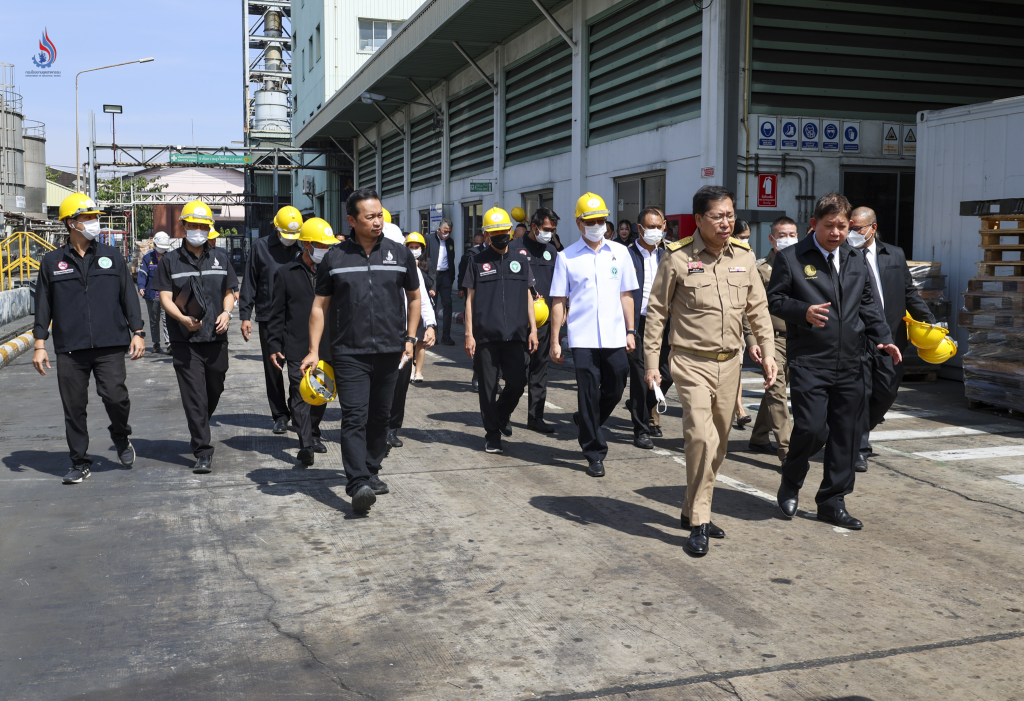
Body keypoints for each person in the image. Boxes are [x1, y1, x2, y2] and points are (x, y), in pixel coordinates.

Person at [643, 186, 777, 557]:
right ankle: (700, 520)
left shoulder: (745, 257)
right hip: (689, 362)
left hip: (730, 364)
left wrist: (768, 354)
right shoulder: (677, 258)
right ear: (699, 219)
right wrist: (652, 365)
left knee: (717, 446)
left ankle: (690, 508)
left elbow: (758, 312)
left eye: (730, 215)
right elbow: (657, 313)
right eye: (718, 216)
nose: (726, 222)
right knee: (700, 438)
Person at [767, 193, 901, 530]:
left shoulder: (855, 259)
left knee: (846, 434)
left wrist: (884, 338)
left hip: (852, 361)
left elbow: (869, 304)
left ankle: (832, 500)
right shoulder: (792, 258)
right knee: (812, 429)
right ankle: (792, 479)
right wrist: (803, 312)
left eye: (843, 226)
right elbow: (776, 300)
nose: (837, 233)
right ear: (814, 225)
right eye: (830, 226)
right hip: (810, 360)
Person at [303, 189, 421, 514]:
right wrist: (313, 350)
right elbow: (319, 306)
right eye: (370, 217)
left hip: (390, 351)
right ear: (352, 220)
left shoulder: (400, 254)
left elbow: (414, 297)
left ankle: (371, 469)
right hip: (349, 352)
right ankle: (357, 484)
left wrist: (411, 339)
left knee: (380, 418)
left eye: (380, 215)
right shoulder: (335, 258)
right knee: (354, 416)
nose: (377, 222)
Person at [32, 193, 146, 484]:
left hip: (110, 344)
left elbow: (128, 298)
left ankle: (120, 436)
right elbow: (43, 305)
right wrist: (40, 344)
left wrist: (138, 332)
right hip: (70, 347)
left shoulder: (111, 256)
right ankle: (79, 461)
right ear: (72, 223)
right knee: (74, 407)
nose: (95, 222)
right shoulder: (51, 262)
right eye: (88, 218)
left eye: (95, 218)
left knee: (116, 397)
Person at [549, 193, 639, 476]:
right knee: (588, 392)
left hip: (614, 335)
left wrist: (630, 330)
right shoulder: (566, 257)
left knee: (616, 384)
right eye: (590, 221)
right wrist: (554, 340)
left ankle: (587, 418)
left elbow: (626, 294)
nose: (597, 225)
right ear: (579, 223)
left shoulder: (620, 252)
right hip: (583, 337)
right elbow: (559, 301)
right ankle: (594, 452)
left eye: (601, 220)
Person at [155, 201, 239, 475]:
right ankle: (203, 450)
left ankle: (200, 422)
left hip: (216, 337)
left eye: (204, 226)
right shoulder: (170, 261)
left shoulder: (221, 258)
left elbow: (230, 290)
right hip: (185, 341)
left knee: (214, 389)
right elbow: (165, 297)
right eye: (194, 225)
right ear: (184, 226)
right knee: (195, 397)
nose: (199, 230)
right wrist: (181, 319)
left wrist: (227, 312)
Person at [848, 206, 934, 472]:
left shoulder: (894, 254)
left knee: (886, 392)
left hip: (892, 339)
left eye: (857, 229)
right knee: (863, 393)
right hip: (858, 337)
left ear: (872, 228)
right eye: (849, 229)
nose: (851, 234)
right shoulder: (845, 255)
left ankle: (851, 433)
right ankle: (858, 447)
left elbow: (909, 291)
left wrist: (929, 320)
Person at [463, 206, 539, 453]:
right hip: (485, 336)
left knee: (517, 383)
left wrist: (533, 329)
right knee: (488, 388)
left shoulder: (521, 260)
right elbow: (469, 300)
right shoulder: (476, 261)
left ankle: (500, 415)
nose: (500, 235)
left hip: (516, 335)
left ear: (510, 230)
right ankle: (492, 434)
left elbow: (529, 296)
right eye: (494, 232)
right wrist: (468, 333)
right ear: (486, 235)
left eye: (503, 231)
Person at [265, 218, 336, 466]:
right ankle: (305, 444)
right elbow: (277, 313)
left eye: (328, 246)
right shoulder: (285, 273)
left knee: (320, 393)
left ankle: (313, 432)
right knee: (299, 394)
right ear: (306, 244)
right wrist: (274, 345)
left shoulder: (333, 272)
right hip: (296, 345)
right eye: (320, 245)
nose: (325, 250)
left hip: (327, 345)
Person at [238, 205, 303, 435]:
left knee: (299, 369)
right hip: (268, 316)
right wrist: (245, 315)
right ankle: (280, 415)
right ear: (276, 227)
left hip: (297, 318)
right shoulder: (260, 248)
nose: (290, 240)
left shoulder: (303, 247)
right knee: (274, 369)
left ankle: (298, 412)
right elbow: (249, 282)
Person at [744, 216, 798, 462]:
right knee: (777, 392)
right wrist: (752, 339)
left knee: (774, 390)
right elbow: (749, 307)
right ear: (772, 238)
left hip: (799, 338)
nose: (788, 239)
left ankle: (759, 437)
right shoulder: (761, 268)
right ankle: (787, 452)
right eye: (782, 235)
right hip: (771, 340)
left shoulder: (804, 265)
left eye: (792, 234)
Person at [626, 207, 673, 449]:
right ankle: (641, 429)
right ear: (639, 228)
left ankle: (639, 404)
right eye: (650, 227)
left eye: (659, 227)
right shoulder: (626, 255)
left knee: (668, 371)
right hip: (638, 322)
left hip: (665, 322)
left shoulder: (670, 253)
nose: (655, 231)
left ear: (664, 226)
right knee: (640, 375)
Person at [386, 233, 438, 450]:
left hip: (404, 335)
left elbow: (422, 299)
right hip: (375, 335)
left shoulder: (410, 266)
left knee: (399, 385)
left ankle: (392, 429)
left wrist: (431, 325)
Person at [521, 207, 560, 434]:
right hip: (519, 323)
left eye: (553, 230)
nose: (550, 234)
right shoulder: (515, 248)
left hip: (544, 322)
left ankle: (536, 417)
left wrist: (562, 309)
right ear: (534, 227)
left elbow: (558, 286)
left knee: (539, 371)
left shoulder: (552, 252)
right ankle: (503, 414)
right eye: (546, 229)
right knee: (517, 372)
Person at [732, 219, 754, 431]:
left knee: (737, 368)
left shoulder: (749, 257)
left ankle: (739, 410)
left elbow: (754, 300)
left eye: (747, 237)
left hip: (738, 325)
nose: (745, 241)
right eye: (741, 237)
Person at [138, 231, 172, 354]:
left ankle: (169, 343)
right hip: (152, 295)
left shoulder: (170, 258)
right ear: (155, 244)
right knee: (154, 320)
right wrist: (141, 286)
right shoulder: (148, 258)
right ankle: (156, 343)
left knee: (166, 319)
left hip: (167, 296)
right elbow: (143, 273)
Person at [426, 218, 456, 346]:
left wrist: (451, 277)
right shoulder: (429, 239)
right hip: (433, 276)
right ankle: (434, 335)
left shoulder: (450, 242)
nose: (446, 234)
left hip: (445, 276)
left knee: (448, 305)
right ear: (439, 229)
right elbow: (425, 257)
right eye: (444, 231)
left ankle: (446, 336)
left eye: (449, 232)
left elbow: (451, 259)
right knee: (432, 305)